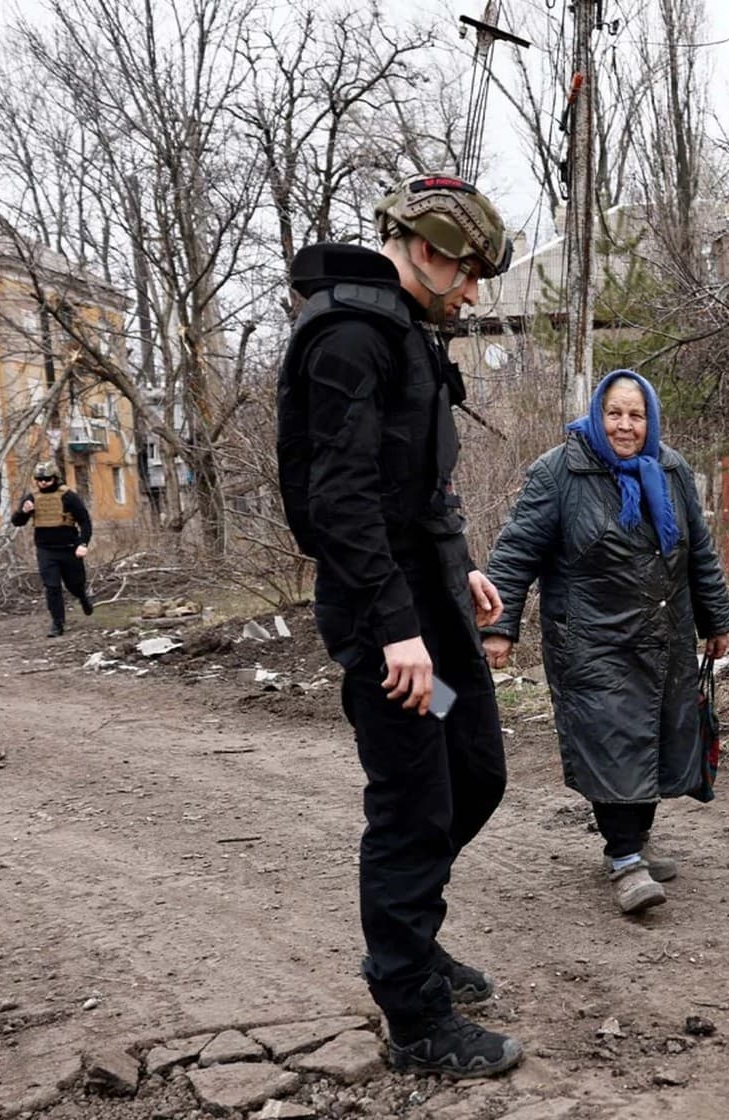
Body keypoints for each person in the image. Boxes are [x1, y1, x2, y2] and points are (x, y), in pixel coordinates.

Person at [276, 174, 523, 1078]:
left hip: (430, 610)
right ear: (425, 250)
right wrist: (394, 631)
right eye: (467, 274)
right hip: (390, 630)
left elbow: (411, 486)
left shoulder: (406, 332)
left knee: (474, 769)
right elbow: (338, 503)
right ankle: (415, 1016)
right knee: (414, 803)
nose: (472, 293)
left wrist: (461, 569)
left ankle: (405, 942)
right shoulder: (348, 338)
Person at [482, 369, 729, 915]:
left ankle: (636, 841)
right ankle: (624, 857)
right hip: (591, 639)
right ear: (597, 416)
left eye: (636, 415)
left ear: (651, 420)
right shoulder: (559, 472)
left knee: (654, 740)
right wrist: (498, 627)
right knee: (611, 740)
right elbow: (515, 554)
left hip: (663, 635)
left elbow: (699, 553)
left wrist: (717, 621)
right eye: (614, 414)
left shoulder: (670, 469)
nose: (625, 425)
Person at [9, 460, 94, 637]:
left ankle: (82, 597)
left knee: (74, 584)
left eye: (46, 479)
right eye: (39, 480)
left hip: (69, 547)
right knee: (52, 587)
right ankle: (57, 624)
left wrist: (83, 543)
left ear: (55, 478)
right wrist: (23, 512)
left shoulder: (69, 496)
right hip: (46, 550)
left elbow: (85, 521)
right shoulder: (32, 497)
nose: (43, 483)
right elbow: (17, 522)